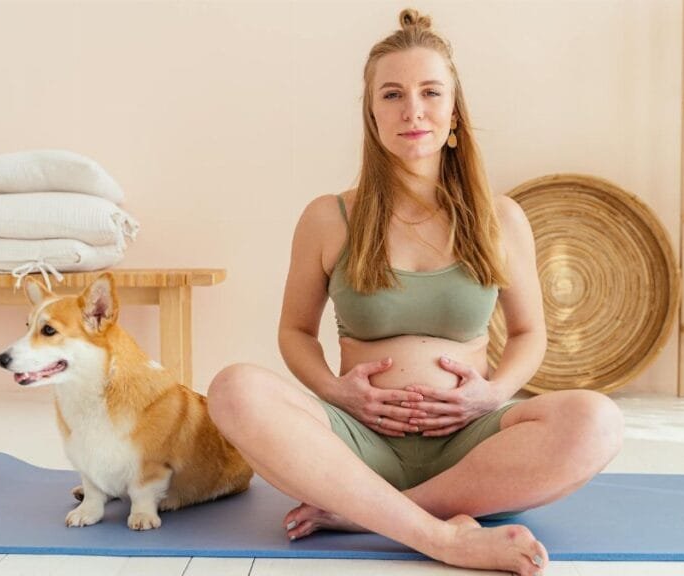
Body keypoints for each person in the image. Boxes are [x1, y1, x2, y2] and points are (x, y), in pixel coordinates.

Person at [208, 8, 623, 576]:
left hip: (471, 446)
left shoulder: (501, 217)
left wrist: (492, 392)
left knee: (597, 420)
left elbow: (530, 333)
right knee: (233, 389)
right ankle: (440, 538)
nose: (413, 110)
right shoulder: (327, 218)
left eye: (431, 91)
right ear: (371, 114)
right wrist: (336, 390)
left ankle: (370, 515)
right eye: (392, 94)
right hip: (355, 443)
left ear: (454, 111)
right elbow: (295, 331)